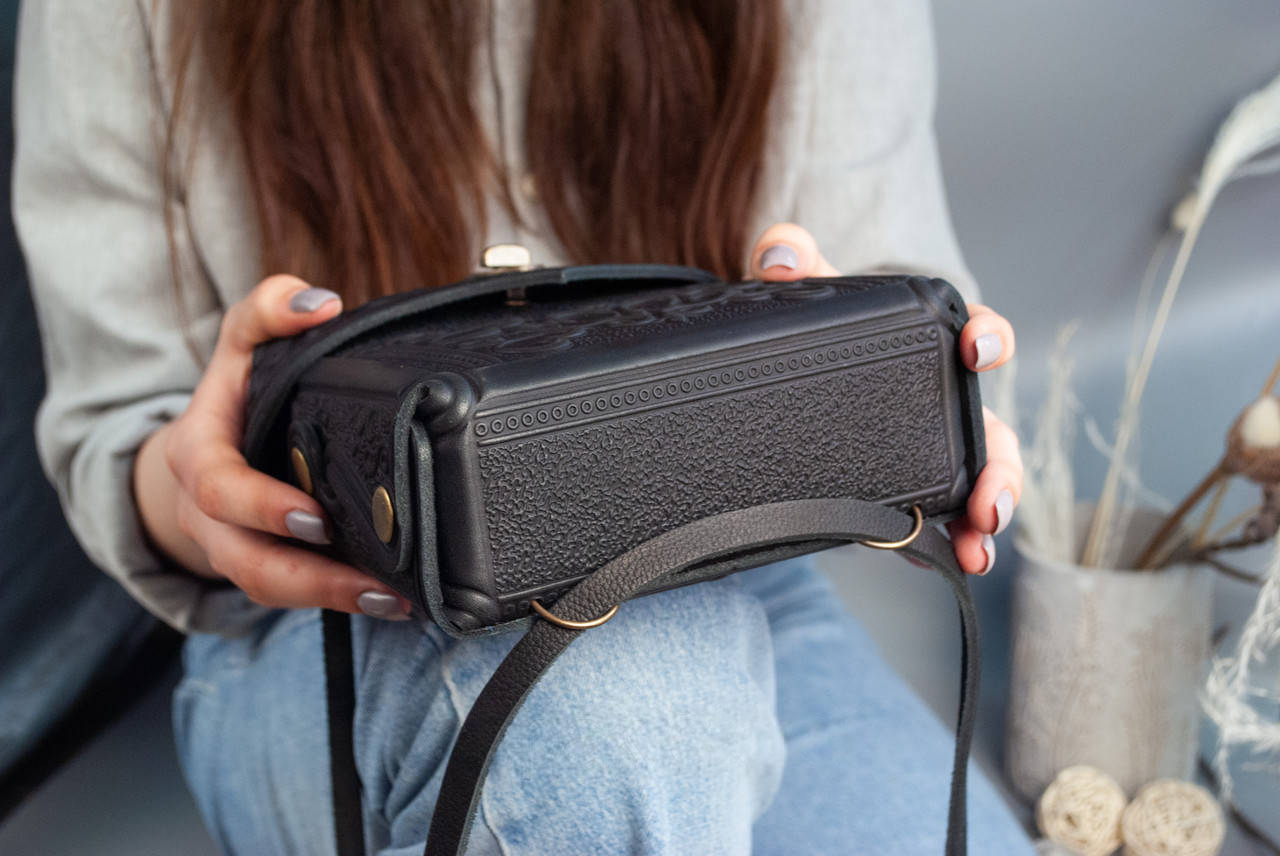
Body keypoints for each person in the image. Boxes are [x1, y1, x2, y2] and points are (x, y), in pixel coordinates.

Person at [14, 0, 1032, 852]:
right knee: (631, 704)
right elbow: (121, 420)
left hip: (733, 580)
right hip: (327, 630)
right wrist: (198, 486)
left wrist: (935, 408)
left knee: (656, 699)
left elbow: (893, 291)